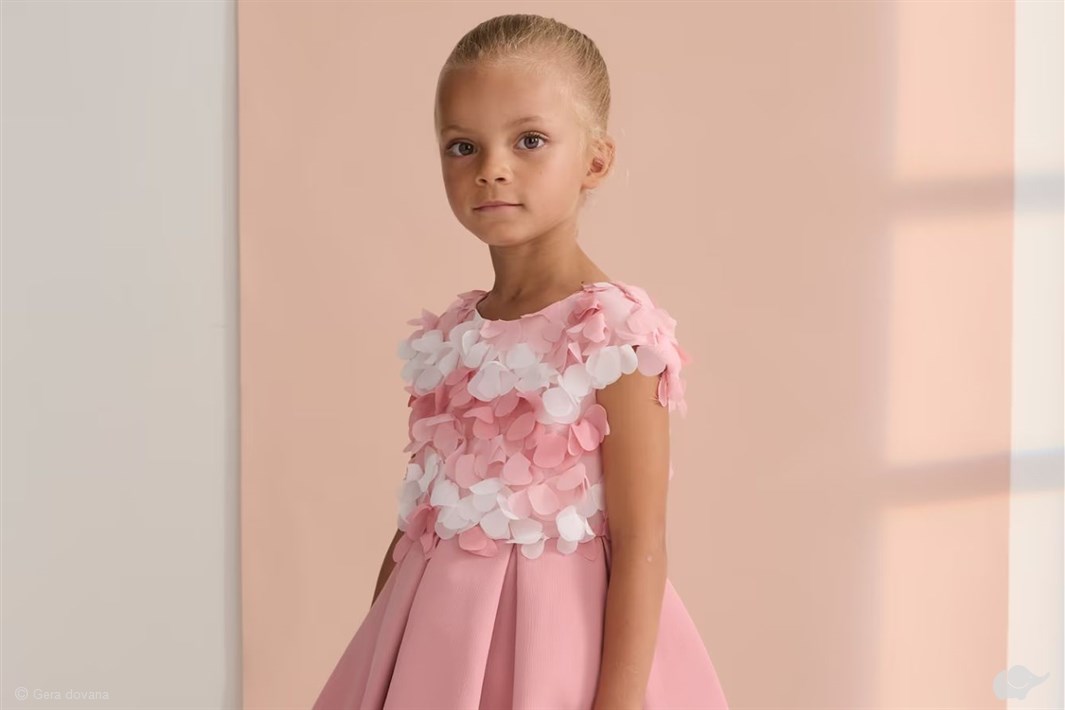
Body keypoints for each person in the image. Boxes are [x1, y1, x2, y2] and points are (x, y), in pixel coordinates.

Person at [312, 13, 729, 710]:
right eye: (462, 146)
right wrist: (375, 666)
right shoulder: (452, 335)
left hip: (555, 654)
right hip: (436, 652)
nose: (491, 168)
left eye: (529, 140)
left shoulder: (614, 335)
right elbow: (417, 525)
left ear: (595, 160)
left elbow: (641, 545)